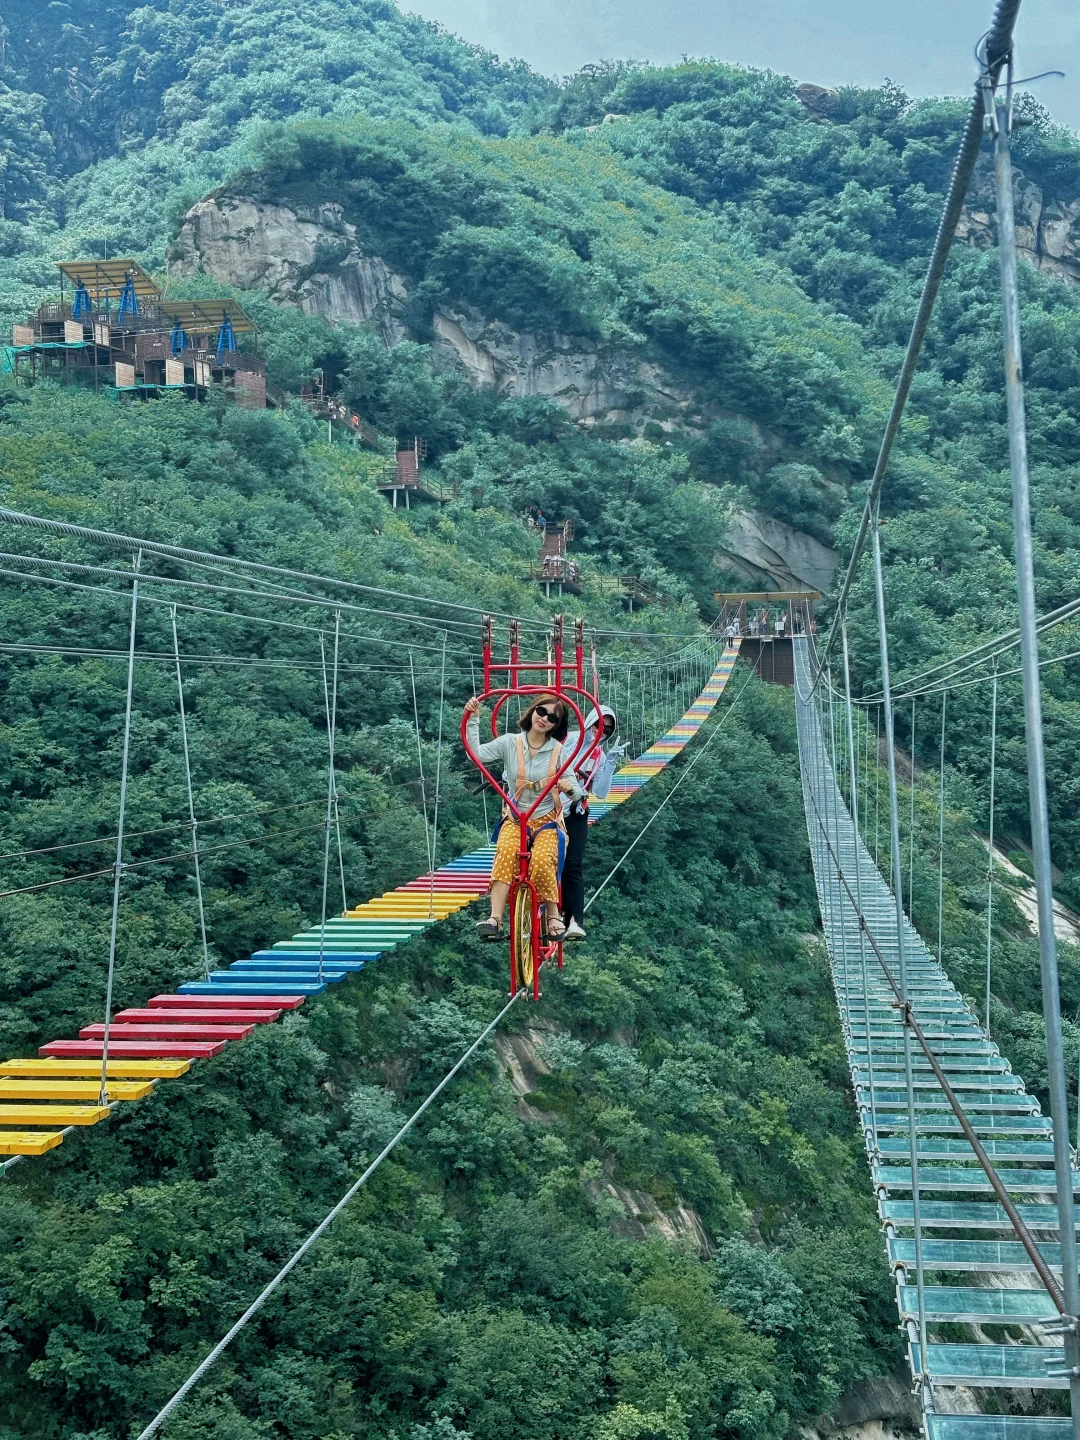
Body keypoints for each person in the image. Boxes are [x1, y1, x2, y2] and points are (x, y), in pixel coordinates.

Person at [465, 693, 583, 941]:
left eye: (552, 717)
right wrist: (473, 720)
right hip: (516, 816)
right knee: (506, 851)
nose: (544, 719)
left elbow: (576, 791)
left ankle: (553, 914)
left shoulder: (558, 751)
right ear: (533, 710)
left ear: (556, 725)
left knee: (542, 859)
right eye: (542, 711)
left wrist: (570, 789)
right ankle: (495, 918)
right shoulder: (510, 742)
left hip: (546, 818)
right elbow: (476, 754)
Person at [561, 704, 623, 941]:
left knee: (573, 866)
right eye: (598, 724)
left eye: (607, 729)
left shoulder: (599, 756)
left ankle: (574, 920)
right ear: (588, 722)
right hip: (548, 807)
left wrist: (611, 764)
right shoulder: (567, 740)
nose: (602, 731)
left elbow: (601, 792)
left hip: (575, 812)